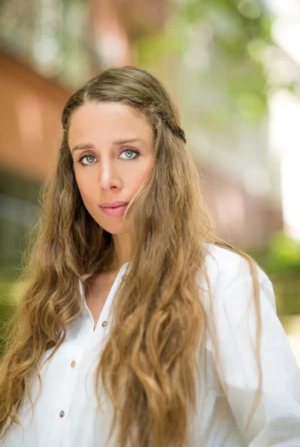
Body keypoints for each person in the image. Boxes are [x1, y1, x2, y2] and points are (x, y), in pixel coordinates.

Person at [0, 66, 299, 447]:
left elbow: (284, 436)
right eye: (87, 158)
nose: (106, 178)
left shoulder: (222, 280)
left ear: (165, 160)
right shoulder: (55, 296)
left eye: (128, 152)